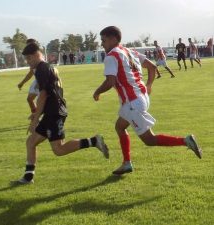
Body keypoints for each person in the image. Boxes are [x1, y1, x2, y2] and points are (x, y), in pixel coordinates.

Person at [93, 26, 202, 176]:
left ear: (113, 39)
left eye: (104, 40)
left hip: (132, 103)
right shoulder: (129, 51)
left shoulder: (111, 56)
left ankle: (186, 140)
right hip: (140, 97)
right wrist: (149, 85)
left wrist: (97, 92)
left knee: (150, 140)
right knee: (119, 127)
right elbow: (151, 67)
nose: (102, 44)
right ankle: (126, 163)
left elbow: (110, 81)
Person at [13, 43, 109, 184]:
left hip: (55, 113)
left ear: (35, 55)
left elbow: (44, 94)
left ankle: (94, 141)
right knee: (31, 142)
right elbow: (50, 93)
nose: (28, 62)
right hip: (52, 111)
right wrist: (37, 114)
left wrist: (35, 119)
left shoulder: (41, 69)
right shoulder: (47, 67)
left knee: (59, 149)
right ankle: (28, 177)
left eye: (28, 58)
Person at [17, 39, 40, 113]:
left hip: (42, 80)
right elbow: (31, 73)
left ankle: (36, 118)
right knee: (30, 99)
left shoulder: (37, 57)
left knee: (42, 101)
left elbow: (31, 72)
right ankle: (35, 116)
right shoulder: (31, 56)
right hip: (37, 80)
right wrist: (22, 83)